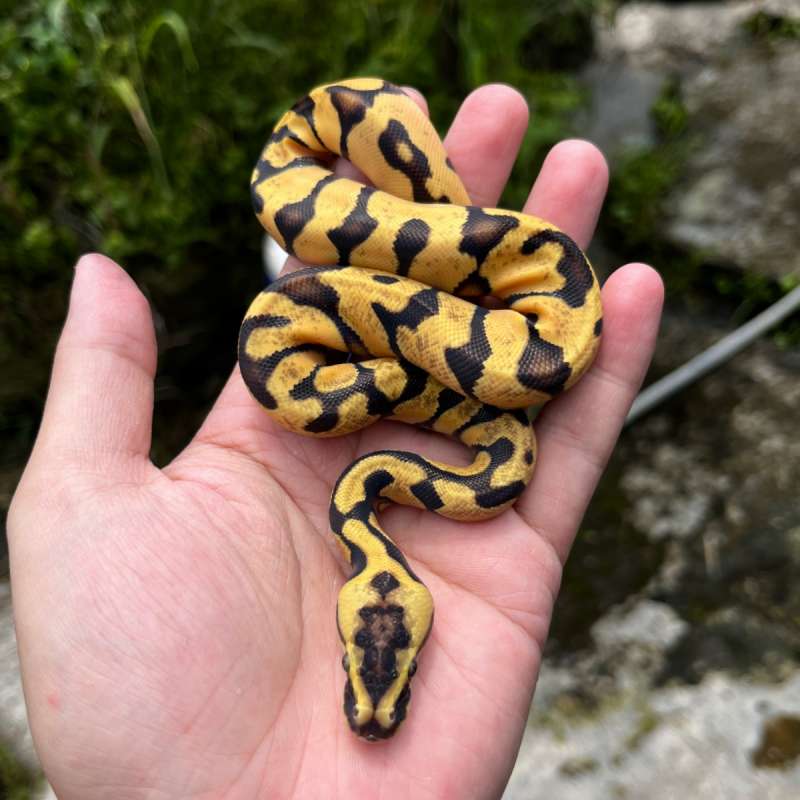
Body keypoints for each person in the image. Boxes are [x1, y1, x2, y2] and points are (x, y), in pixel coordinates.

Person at [7, 84, 663, 799]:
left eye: (363, 667)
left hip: (389, 335)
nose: (374, 690)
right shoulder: (481, 477)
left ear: (352, 623)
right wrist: (399, 370)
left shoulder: (404, 477)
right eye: (392, 672)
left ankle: (377, 142)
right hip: (467, 331)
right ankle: (383, 153)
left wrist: (395, 373)